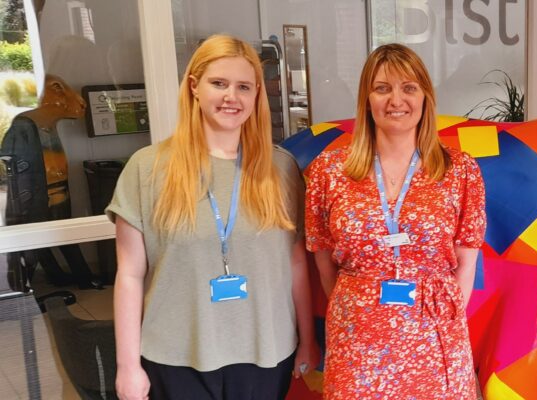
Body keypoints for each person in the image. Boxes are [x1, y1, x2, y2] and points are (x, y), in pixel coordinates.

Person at [109, 34, 315, 400]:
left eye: (243, 87)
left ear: (256, 96)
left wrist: (307, 342)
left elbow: (296, 263)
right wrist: (127, 367)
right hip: (176, 357)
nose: (231, 97)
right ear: (194, 87)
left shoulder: (280, 169)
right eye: (218, 83)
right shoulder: (147, 169)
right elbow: (129, 274)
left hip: (266, 354)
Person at [304, 43, 486, 398]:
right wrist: (361, 303)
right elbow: (324, 264)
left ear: (425, 97)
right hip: (356, 339)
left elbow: (466, 264)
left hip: (435, 337)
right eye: (382, 88)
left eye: (409, 88)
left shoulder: (459, 170)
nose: (395, 100)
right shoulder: (330, 171)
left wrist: (436, 315)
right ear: (366, 99)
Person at [1, 74, 102, 290]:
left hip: (58, 191)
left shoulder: (49, 127)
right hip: (39, 195)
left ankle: (76, 276)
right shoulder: (22, 127)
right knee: (39, 241)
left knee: (65, 234)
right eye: (57, 88)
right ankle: (28, 284)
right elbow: (12, 165)